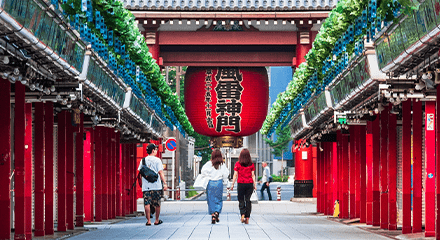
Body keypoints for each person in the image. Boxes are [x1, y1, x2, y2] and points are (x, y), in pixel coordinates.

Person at [138, 143, 168, 226]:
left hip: (146, 186)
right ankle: (157, 220)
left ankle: (148, 221)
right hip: (156, 185)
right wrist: (164, 183)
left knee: (147, 203)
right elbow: (160, 172)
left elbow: (140, 173)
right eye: (155, 149)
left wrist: (141, 183)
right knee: (157, 203)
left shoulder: (143, 160)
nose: (156, 151)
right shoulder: (157, 160)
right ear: (153, 150)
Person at [200, 149, 229, 224]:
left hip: (210, 183)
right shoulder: (222, 165)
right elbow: (225, 174)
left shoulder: (209, 163)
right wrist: (226, 183)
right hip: (219, 183)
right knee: (218, 199)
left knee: (210, 200)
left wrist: (207, 176)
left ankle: (213, 215)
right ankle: (217, 213)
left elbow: (203, 172)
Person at [230, 148, 256, 224]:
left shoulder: (238, 164)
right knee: (248, 200)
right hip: (249, 184)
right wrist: (254, 184)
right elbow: (253, 175)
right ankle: (247, 217)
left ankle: (242, 214)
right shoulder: (251, 164)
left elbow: (235, 175)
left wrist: (232, 184)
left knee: (241, 200)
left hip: (241, 184)